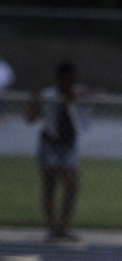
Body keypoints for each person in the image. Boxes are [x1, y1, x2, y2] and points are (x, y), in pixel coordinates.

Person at [26, 62, 90, 242]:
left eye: (71, 81)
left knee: (71, 183)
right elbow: (31, 118)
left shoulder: (78, 93)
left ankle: (64, 226)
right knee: (50, 184)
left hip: (69, 144)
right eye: (64, 81)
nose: (67, 84)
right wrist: (34, 100)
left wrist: (77, 95)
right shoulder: (48, 95)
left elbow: (99, 96)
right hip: (50, 143)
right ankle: (51, 228)